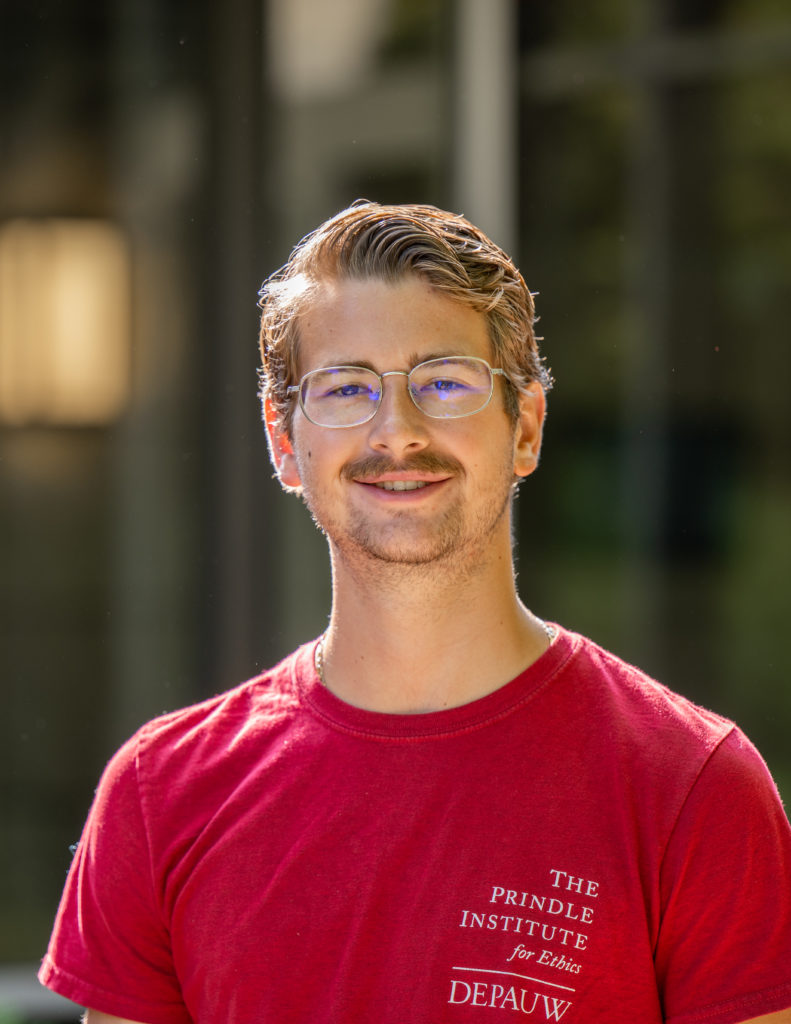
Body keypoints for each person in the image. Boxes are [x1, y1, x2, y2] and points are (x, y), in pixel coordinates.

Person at [40, 201, 791, 1024]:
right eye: (346, 387)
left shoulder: (690, 787)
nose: (396, 432)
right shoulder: (162, 794)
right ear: (284, 443)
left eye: (443, 381)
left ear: (526, 427)